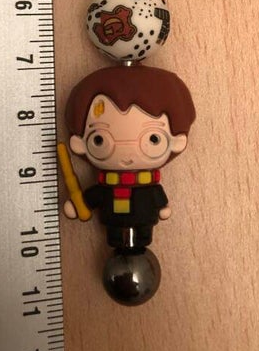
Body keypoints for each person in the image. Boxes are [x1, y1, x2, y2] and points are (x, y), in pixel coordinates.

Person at [63, 65, 195, 249]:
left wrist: (162, 207)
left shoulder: (147, 187)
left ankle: (140, 242)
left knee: (144, 235)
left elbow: (156, 195)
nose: (127, 153)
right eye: (99, 139)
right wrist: (80, 204)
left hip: (144, 216)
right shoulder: (105, 187)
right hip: (112, 219)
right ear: (79, 143)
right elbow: (94, 196)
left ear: (177, 141)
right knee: (114, 238)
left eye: (153, 138)